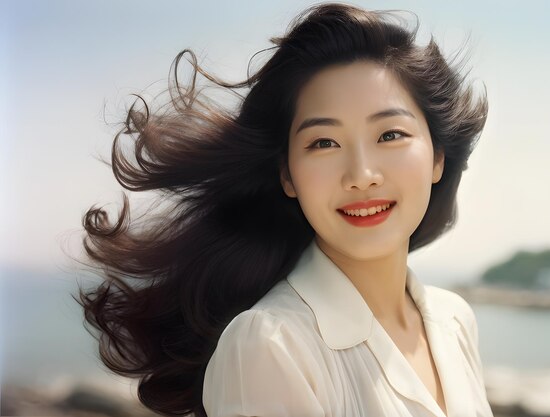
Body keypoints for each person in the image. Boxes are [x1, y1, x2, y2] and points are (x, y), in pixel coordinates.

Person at [74, 3, 491, 417]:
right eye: (323, 143)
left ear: (437, 157)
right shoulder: (269, 346)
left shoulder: (454, 321)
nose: (361, 175)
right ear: (288, 175)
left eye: (391, 134)